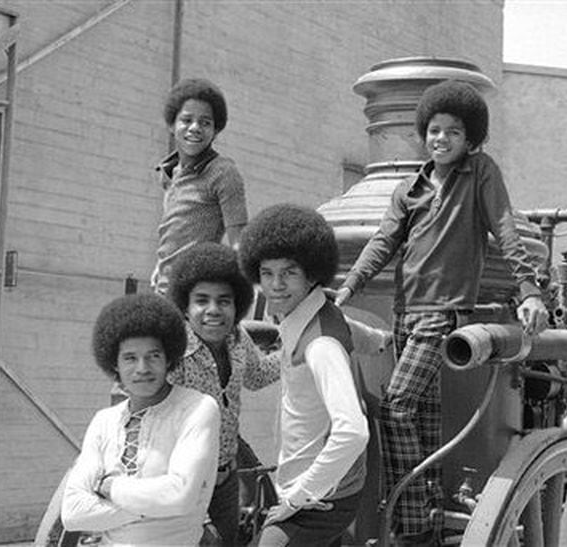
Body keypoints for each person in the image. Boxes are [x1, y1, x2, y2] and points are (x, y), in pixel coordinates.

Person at [335, 80, 549, 545]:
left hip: (443, 314)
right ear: (423, 133)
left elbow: (507, 230)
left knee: (394, 408)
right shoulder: (407, 190)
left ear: (470, 137)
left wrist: (530, 289)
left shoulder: (480, 174)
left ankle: (409, 521)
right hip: (403, 314)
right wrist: (348, 287)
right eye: (434, 129)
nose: (442, 138)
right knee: (424, 422)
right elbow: (382, 243)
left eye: (453, 131)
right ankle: (427, 519)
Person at [238, 203, 370, 547]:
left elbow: (354, 432)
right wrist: (384, 343)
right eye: (267, 273)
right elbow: (359, 332)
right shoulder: (316, 312)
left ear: (312, 274)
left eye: (289, 273)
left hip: (320, 498)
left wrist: (297, 498)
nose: (276, 285)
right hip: (310, 484)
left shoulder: (320, 344)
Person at [61, 294, 221, 546]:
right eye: (130, 358)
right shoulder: (104, 421)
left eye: (153, 356)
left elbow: (179, 496)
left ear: (169, 358)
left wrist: (110, 488)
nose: (142, 368)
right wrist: (154, 508)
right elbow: (73, 513)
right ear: (114, 363)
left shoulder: (198, 408)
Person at [167, 242, 281, 546]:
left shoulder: (238, 338)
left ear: (237, 304)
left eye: (224, 301)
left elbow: (257, 377)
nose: (214, 310)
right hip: (183, 484)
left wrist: (301, 345)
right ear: (186, 306)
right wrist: (199, 520)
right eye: (202, 300)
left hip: (226, 480)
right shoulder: (173, 353)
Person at [152, 78, 248, 294]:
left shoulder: (223, 172)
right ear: (171, 124)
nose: (195, 128)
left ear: (215, 130)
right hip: (163, 288)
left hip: (195, 291)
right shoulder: (169, 173)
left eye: (205, 122)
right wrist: (159, 268)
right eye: (187, 120)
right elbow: (174, 234)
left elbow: (239, 244)